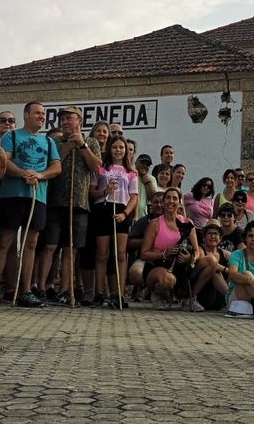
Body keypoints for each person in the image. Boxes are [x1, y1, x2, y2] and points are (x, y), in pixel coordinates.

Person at [0, 101, 60, 307]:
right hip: (12, 196)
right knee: (4, 242)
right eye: (37, 113)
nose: (41, 116)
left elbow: (56, 167)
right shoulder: (11, 136)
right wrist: (23, 174)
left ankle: (26, 291)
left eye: (43, 114)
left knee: (31, 244)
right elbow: (4, 161)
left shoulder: (48, 141)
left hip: (38, 197)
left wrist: (39, 174)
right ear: (27, 115)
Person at [40, 106, 102, 306]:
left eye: (69, 118)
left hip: (79, 203)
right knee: (50, 246)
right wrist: (68, 145)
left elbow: (96, 167)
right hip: (55, 201)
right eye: (63, 119)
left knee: (71, 249)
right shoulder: (54, 141)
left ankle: (65, 290)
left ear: (79, 121)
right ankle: (41, 287)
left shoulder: (91, 142)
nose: (65, 122)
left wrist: (82, 145)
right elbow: (53, 163)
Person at [90, 135, 138, 308]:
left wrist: (125, 214)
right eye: (115, 147)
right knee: (102, 253)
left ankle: (119, 293)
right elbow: (92, 191)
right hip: (103, 208)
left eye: (121, 147)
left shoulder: (131, 172)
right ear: (110, 149)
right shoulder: (102, 169)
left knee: (120, 254)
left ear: (126, 151)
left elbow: (133, 197)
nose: (118, 150)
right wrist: (105, 191)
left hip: (121, 210)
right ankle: (99, 292)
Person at [137, 189, 199, 309]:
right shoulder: (155, 224)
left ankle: (189, 298)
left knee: (209, 262)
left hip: (181, 266)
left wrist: (191, 259)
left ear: (180, 203)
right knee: (168, 280)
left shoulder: (187, 223)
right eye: (168, 198)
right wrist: (164, 254)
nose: (171, 201)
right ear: (164, 202)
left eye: (175, 198)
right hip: (157, 266)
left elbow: (197, 251)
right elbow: (144, 254)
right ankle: (156, 293)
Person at [189, 220, 230, 312]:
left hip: (219, 298)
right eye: (209, 233)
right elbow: (209, 261)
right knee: (213, 268)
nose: (212, 236)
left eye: (215, 234)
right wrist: (226, 269)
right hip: (203, 294)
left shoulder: (224, 253)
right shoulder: (200, 250)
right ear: (204, 237)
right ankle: (192, 299)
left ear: (220, 238)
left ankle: (234, 300)